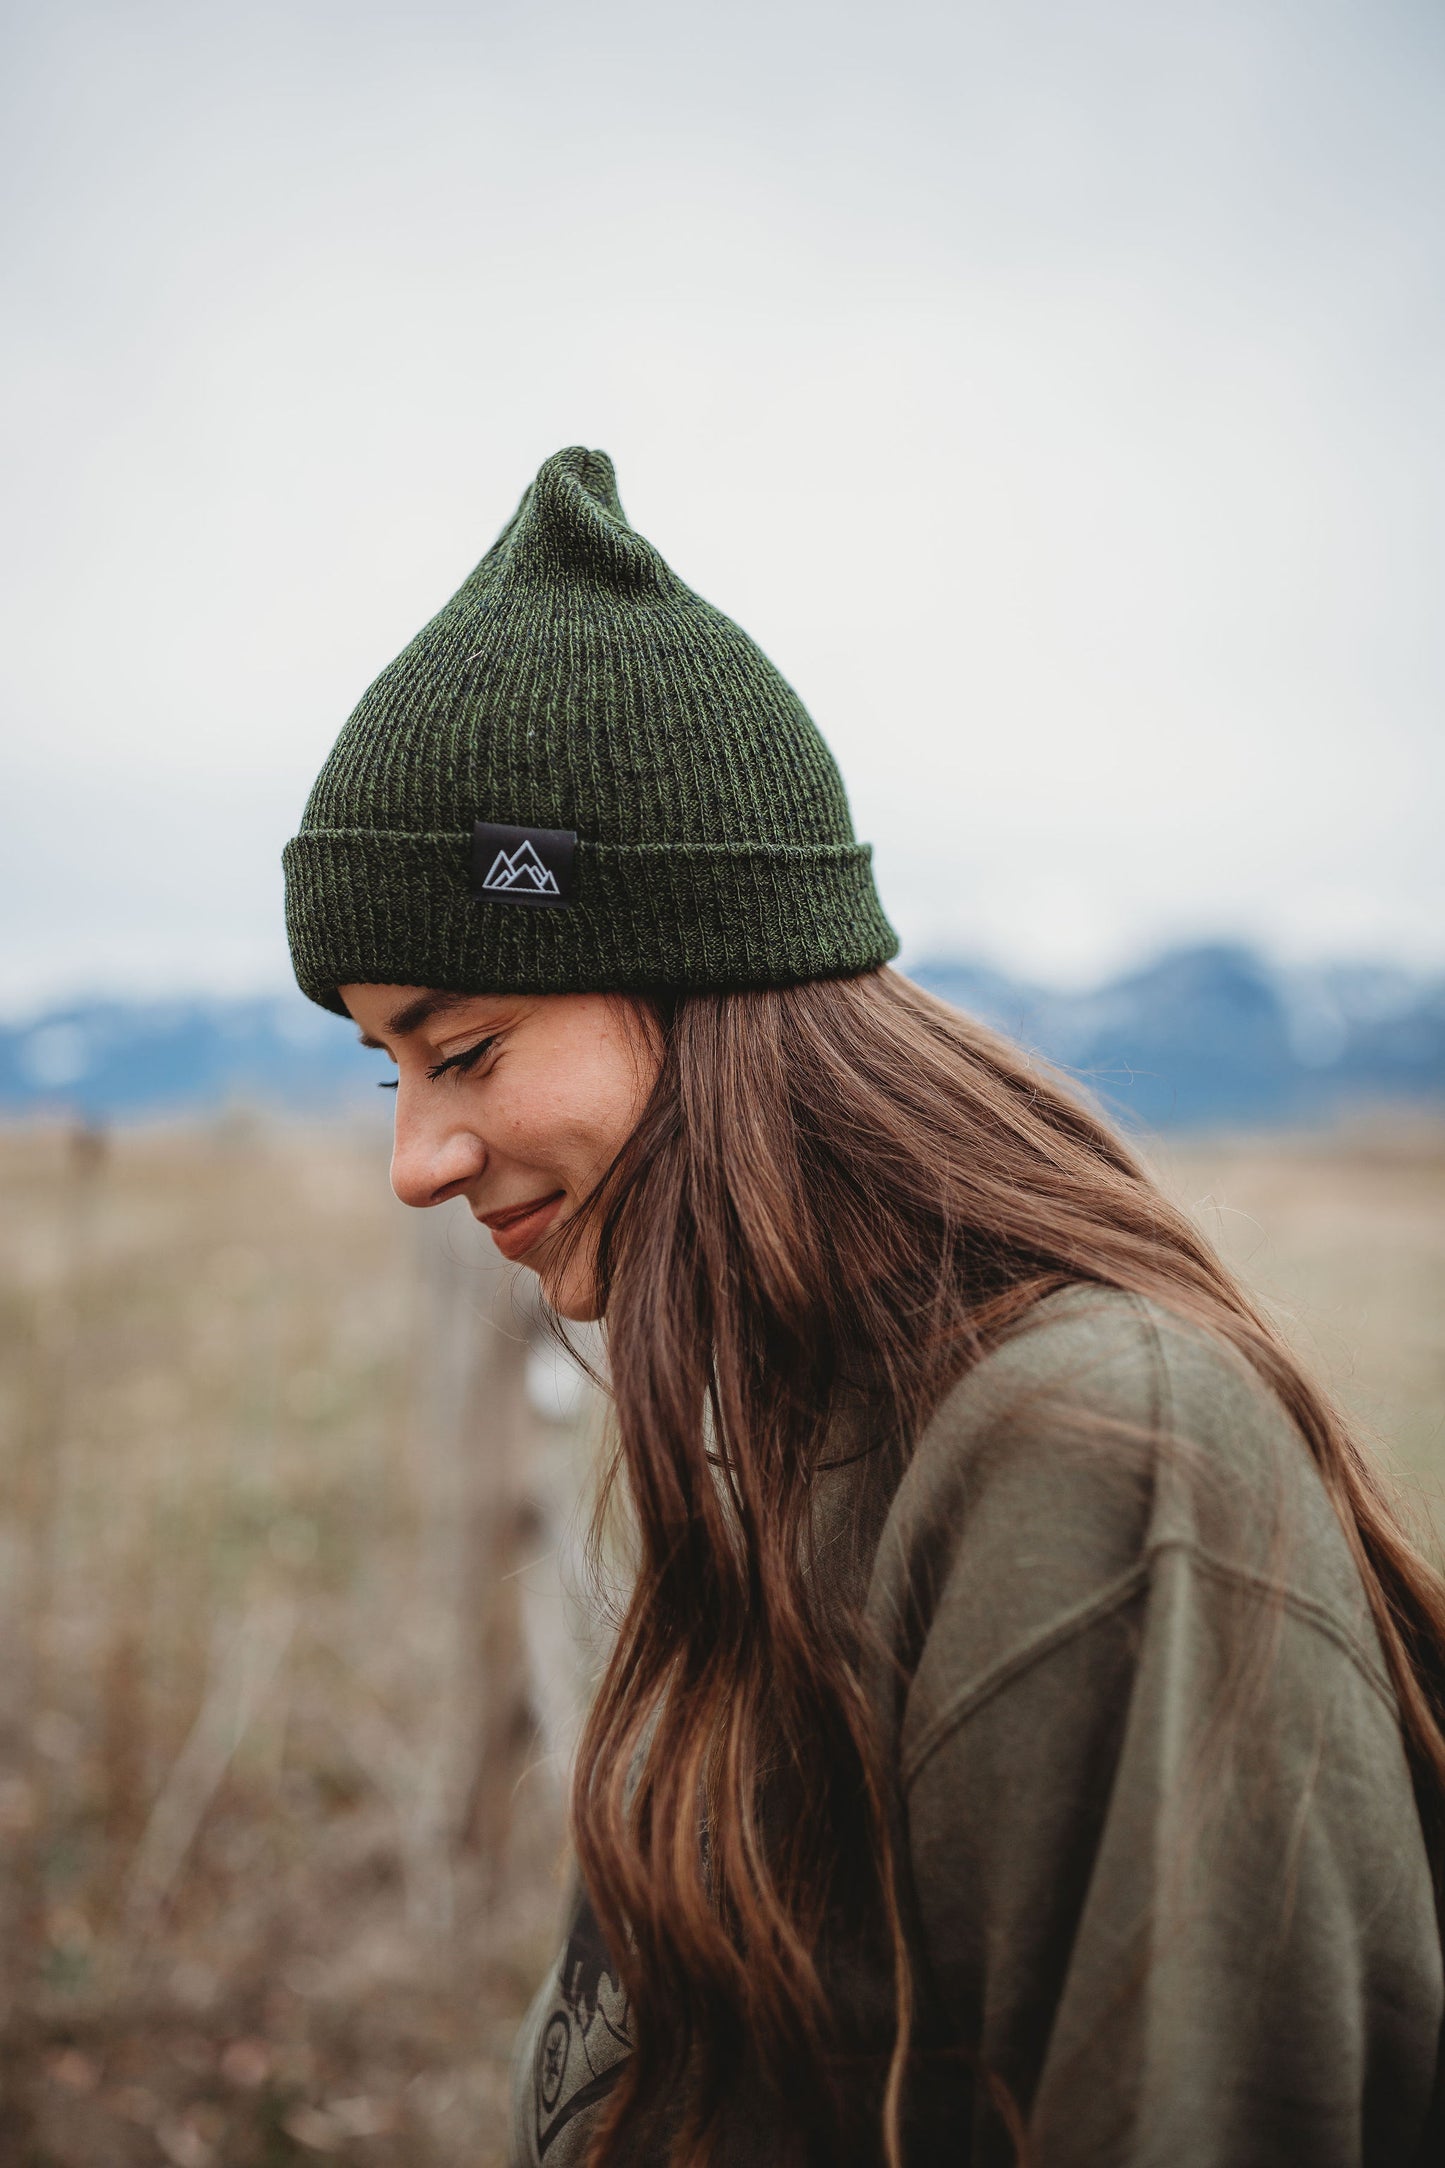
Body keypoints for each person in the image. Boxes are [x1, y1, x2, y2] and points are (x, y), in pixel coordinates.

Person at [283, 447, 1445, 2167]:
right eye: (387, 1065)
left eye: (463, 1051)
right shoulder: (791, 1426)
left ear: (713, 988)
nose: (416, 1157)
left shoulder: (1090, 1459)